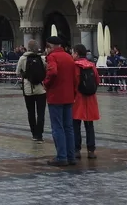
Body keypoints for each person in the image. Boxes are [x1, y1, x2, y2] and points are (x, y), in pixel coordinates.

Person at [42, 36, 77, 166]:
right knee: (69, 127)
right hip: (68, 97)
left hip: (56, 96)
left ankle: (61, 157)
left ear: (51, 46)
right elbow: (75, 78)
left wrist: (46, 83)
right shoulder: (69, 57)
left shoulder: (52, 57)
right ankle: (71, 156)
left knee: (58, 127)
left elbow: (53, 72)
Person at [72, 43, 100, 159]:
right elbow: (97, 80)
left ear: (77, 54)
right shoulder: (92, 65)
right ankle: (91, 150)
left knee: (75, 125)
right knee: (89, 125)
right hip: (90, 98)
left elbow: (74, 82)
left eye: (73, 52)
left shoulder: (75, 66)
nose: (72, 55)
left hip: (78, 98)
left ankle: (76, 149)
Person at [17, 39, 47, 142]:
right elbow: (46, 70)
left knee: (31, 112)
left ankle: (34, 134)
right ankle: (40, 135)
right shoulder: (42, 58)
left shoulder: (22, 58)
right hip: (41, 89)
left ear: (28, 48)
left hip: (28, 89)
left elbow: (17, 72)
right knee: (41, 113)